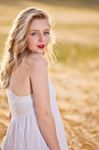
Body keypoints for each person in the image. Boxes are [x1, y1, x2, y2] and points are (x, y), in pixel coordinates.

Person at [0, 7, 68, 150]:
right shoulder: (37, 62)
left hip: (16, 137)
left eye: (46, 32)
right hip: (36, 137)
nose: (42, 39)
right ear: (22, 35)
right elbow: (43, 115)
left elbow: (13, 113)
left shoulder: (13, 63)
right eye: (34, 33)